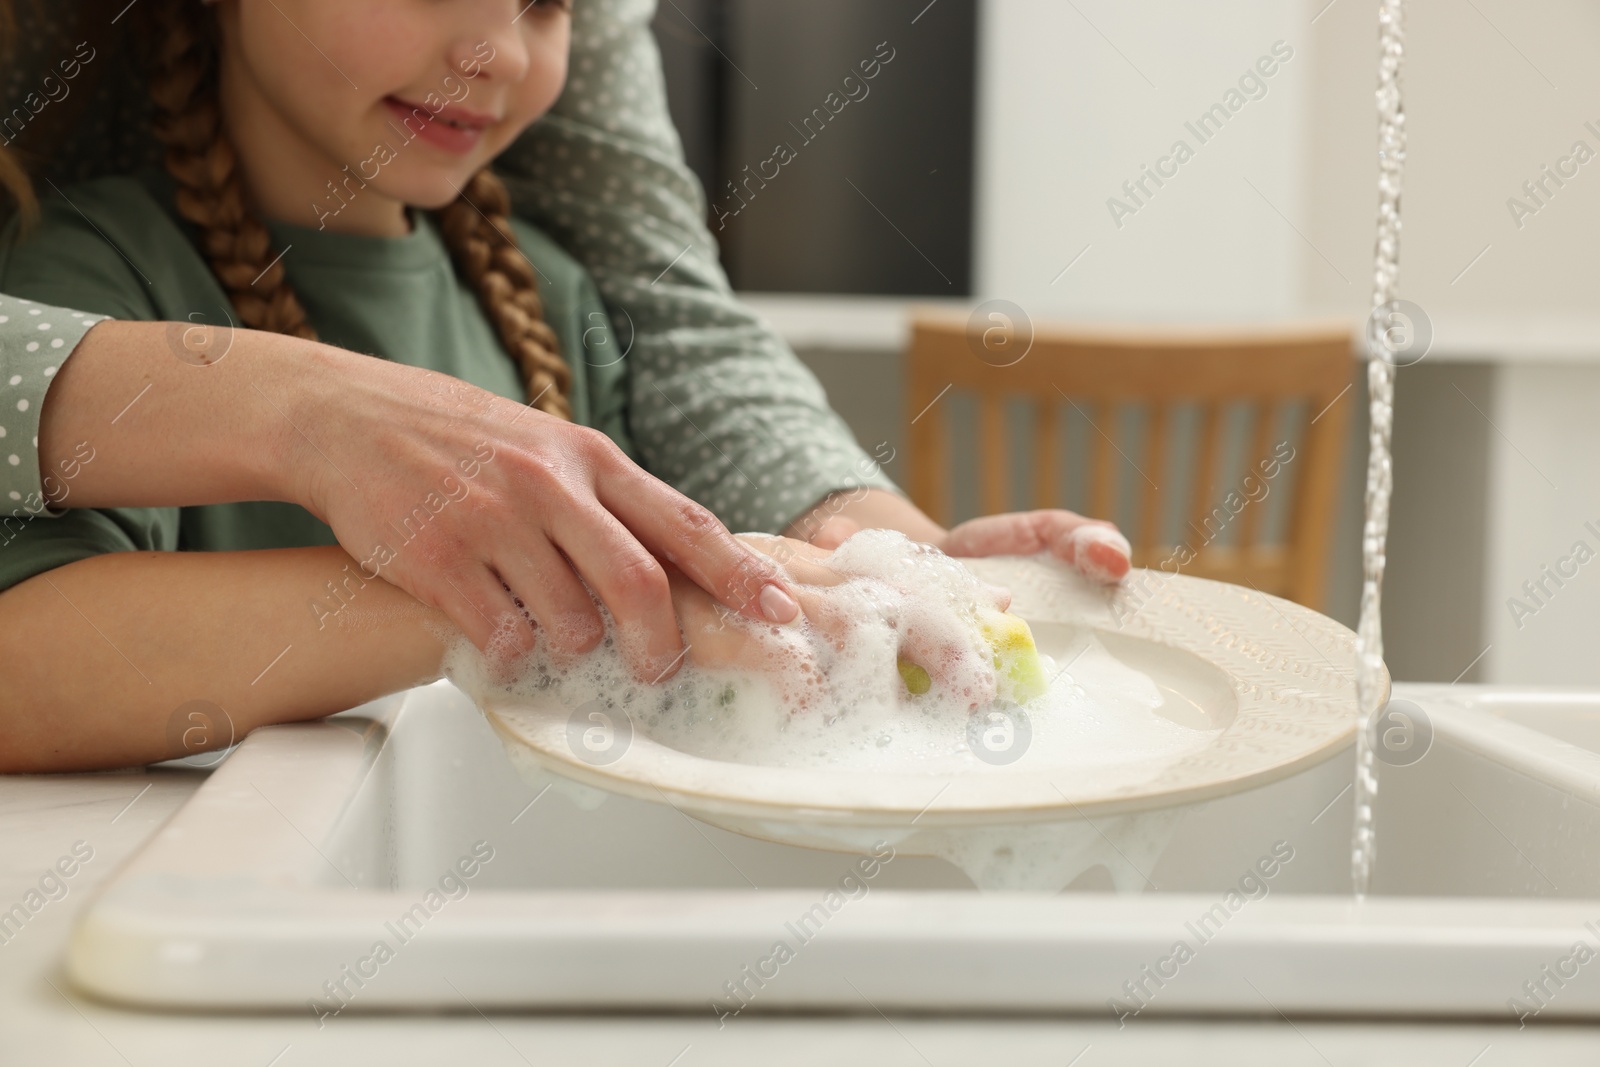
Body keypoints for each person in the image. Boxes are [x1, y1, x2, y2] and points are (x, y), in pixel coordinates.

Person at [0, 0, 1131, 774]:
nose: (498, 50)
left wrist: (889, 568)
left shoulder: (545, 292)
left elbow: (712, 454)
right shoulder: (97, 288)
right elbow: (24, 655)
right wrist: (536, 602)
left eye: (547, 1)